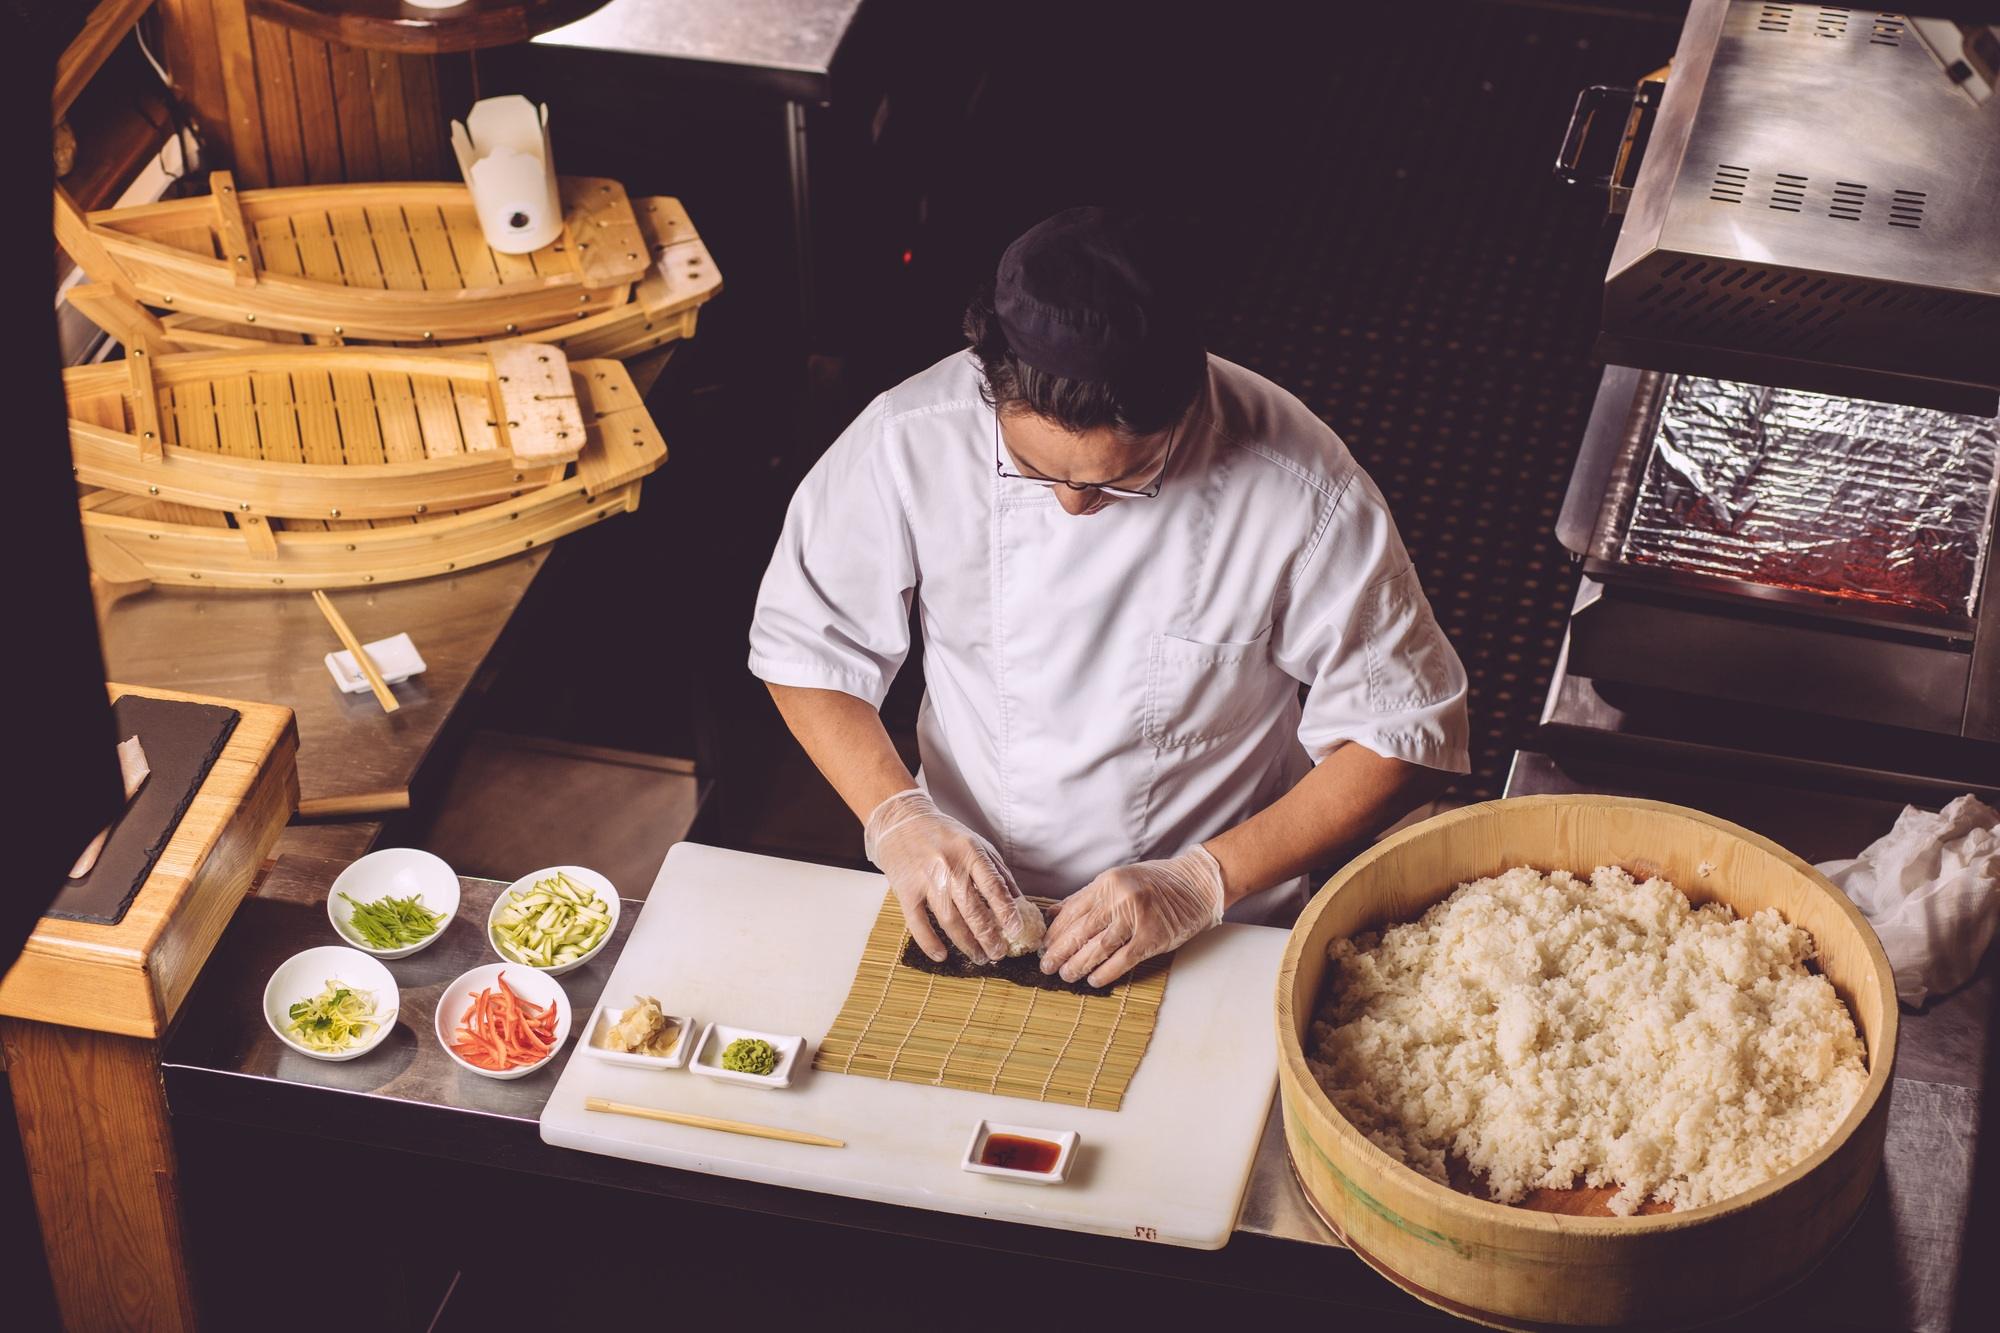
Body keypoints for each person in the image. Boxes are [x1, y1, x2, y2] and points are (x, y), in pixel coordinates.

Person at [749, 206, 1469, 987]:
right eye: (1036, 472)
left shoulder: (1299, 486)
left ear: (1185, 401)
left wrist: (1202, 881)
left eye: (1119, 483)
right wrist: (898, 817)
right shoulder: (911, 435)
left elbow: (1404, 735)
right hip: (964, 902)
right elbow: (803, 645)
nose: (1071, 505)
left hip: (1213, 928)